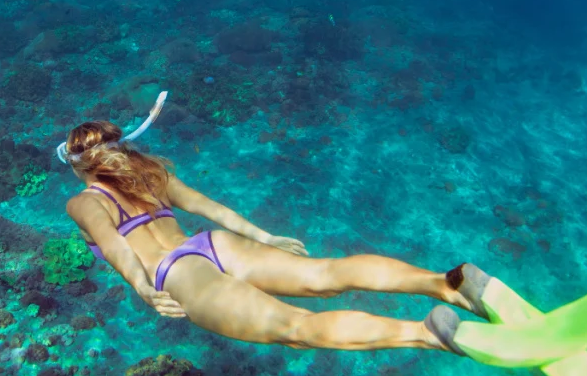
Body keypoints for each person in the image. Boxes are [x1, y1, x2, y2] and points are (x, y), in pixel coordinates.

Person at [60, 114, 493, 354]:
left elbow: (115, 244)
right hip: (212, 243)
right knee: (325, 274)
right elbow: (212, 209)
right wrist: (264, 237)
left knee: (297, 326)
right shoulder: (152, 173)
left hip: (176, 274)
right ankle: (446, 284)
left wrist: (142, 288)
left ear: (80, 166)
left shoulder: (83, 202)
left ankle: (424, 333)